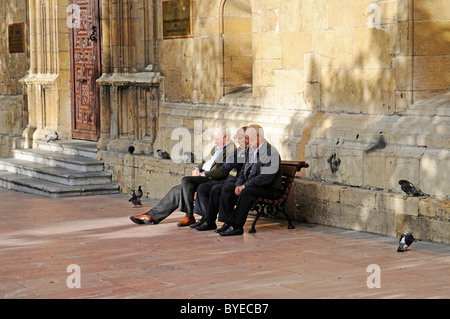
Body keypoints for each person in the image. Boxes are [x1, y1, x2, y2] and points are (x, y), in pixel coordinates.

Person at [129, 127, 235, 226]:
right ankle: (151, 215)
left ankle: (189, 215)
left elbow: (222, 172)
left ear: (225, 137)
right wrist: (196, 169)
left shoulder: (231, 150)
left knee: (186, 181)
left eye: (216, 139)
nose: (214, 141)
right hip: (202, 176)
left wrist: (204, 174)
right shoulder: (217, 148)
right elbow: (205, 161)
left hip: (212, 179)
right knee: (176, 190)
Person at [218, 124, 282, 236]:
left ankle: (237, 226)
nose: (246, 140)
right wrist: (238, 185)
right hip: (253, 185)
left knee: (246, 192)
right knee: (228, 188)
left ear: (259, 137)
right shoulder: (251, 150)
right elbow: (243, 171)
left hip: (269, 188)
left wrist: (245, 186)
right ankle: (228, 222)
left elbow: (265, 178)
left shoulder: (271, 152)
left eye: (249, 138)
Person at [190, 126, 248, 231]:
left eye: (240, 138)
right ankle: (207, 219)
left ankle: (227, 222)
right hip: (229, 179)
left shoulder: (244, 151)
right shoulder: (240, 150)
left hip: (235, 181)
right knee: (203, 187)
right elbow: (228, 165)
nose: (238, 141)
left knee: (219, 189)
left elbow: (235, 168)